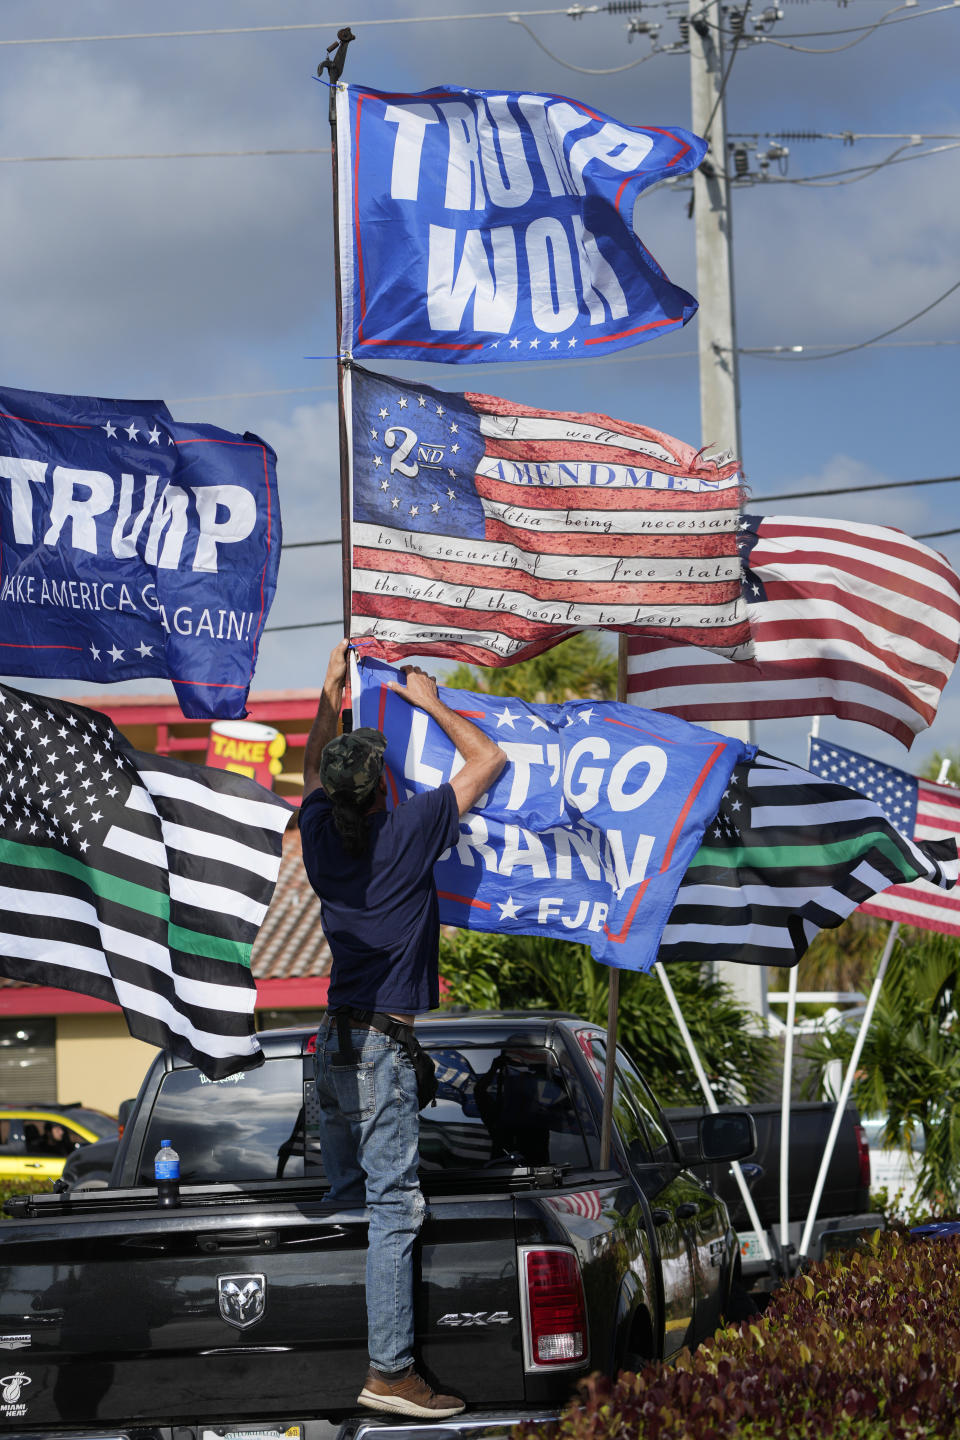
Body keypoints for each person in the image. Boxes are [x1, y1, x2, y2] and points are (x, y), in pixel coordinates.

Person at [299, 639, 506, 1421]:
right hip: (379, 1047)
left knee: (352, 1198)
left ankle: (353, 1358)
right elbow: (489, 762)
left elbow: (317, 771)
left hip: (336, 1045)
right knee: (394, 1209)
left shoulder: (321, 839)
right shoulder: (407, 831)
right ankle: (389, 1371)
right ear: (382, 791)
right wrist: (430, 701)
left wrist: (328, 699)